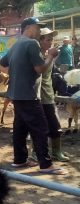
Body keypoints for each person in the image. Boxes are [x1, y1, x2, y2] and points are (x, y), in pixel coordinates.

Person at [0, 17, 68, 175]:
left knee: (20, 129)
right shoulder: (31, 43)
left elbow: (2, 65)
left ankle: (20, 160)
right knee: (41, 128)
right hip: (29, 95)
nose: (38, 31)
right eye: (37, 27)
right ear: (29, 27)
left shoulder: (16, 45)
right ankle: (46, 164)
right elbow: (40, 69)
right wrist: (50, 56)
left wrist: (17, 73)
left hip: (17, 94)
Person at [35, 27, 70, 162]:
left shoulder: (48, 55)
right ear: (40, 41)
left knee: (55, 125)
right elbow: (39, 72)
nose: (51, 42)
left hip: (48, 96)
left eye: (52, 39)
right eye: (48, 39)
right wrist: (50, 56)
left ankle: (56, 152)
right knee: (39, 127)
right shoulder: (37, 56)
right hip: (39, 97)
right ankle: (36, 152)